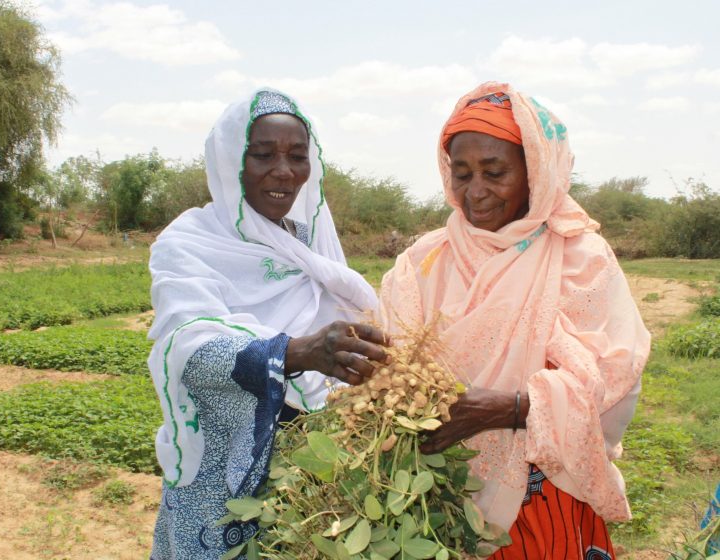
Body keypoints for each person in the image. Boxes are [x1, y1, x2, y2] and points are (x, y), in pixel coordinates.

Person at [380, 83, 650, 559]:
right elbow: (392, 364)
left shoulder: (580, 258)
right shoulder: (424, 261)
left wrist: (512, 408)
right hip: (436, 496)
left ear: (535, 172)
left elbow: (615, 379)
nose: (475, 192)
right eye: (461, 173)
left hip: (546, 491)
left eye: (495, 172)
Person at [146, 88, 388, 560]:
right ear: (230, 161)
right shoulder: (190, 242)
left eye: (297, 156)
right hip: (223, 476)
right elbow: (190, 349)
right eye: (263, 154)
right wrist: (297, 352)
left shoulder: (307, 243)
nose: (284, 171)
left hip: (313, 473)